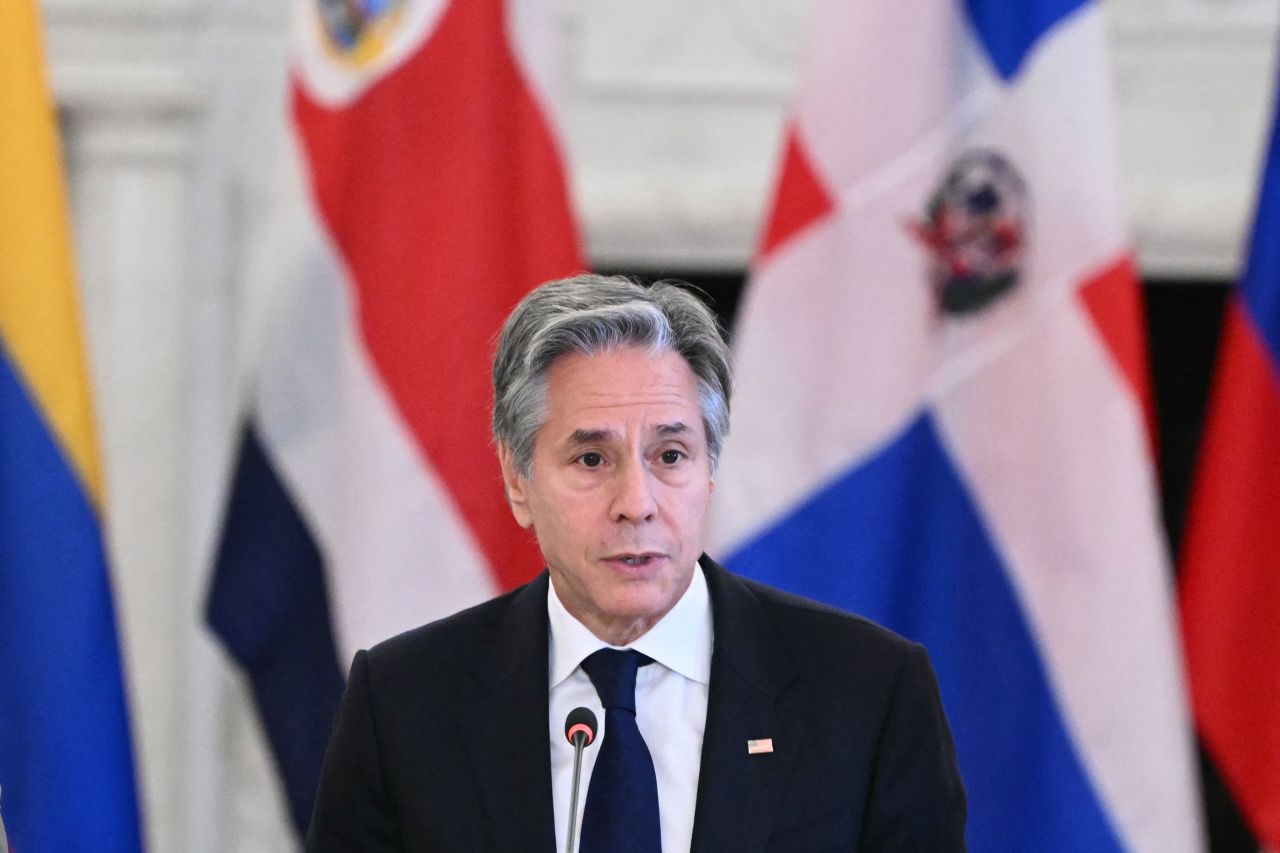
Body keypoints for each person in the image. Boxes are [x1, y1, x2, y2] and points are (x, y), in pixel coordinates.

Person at [307, 274, 967, 852]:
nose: (636, 503)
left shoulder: (866, 693)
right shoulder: (403, 706)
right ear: (518, 478)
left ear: (710, 468)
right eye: (592, 459)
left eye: (671, 455)